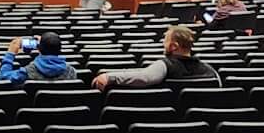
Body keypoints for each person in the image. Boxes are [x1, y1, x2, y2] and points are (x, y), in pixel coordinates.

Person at [93, 24, 221, 89]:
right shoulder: (210, 70)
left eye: (165, 40)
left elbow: (144, 78)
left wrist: (109, 77)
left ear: (173, 46)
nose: (163, 43)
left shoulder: (165, 65)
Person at [0, 31, 77, 84]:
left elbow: (3, 77)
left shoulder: (28, 71)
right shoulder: (71, 71)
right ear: (59, 49)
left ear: (39, 48)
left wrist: (10, 53)